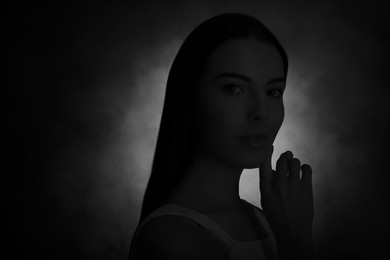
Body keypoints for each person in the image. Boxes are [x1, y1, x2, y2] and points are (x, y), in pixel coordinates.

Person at [129, 13, 315, 260]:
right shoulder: (172, 240)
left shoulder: (268, 218)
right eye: (233, 88)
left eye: (273, 91)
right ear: (189, 97)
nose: (260, 112)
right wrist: (296, 241)